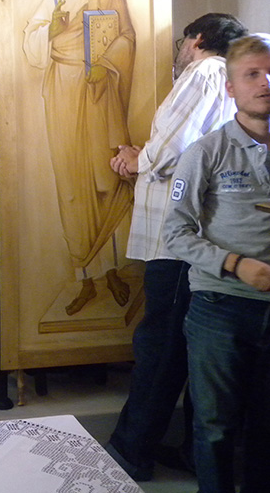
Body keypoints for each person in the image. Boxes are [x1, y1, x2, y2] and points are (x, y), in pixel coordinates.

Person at [105, 13, 246, 481]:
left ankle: (132, 449)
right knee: (185, 344)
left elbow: (173, 146)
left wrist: (135, 159)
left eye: (183, 41)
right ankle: (190, 450)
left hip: (180, 234)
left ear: (197, 39)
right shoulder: (226, 77)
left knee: (161, 343)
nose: (180, 50)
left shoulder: (205, 71)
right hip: (201, 233)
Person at [162, 34, 270, 493]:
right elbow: (175, 233)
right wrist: (235, 264)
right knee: (216, 427)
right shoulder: (205, 152)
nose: (265, 83)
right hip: (221, 308)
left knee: (266, 429)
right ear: (230, 88)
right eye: (252, 74)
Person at [23, 0, 135, 316]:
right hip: (63, 91)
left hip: (99, 90)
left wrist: (104, 66)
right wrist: (50, 31)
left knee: (105, 178)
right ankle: (86, 278)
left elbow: (126, 35)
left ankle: (113, 272)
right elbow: (31, 37)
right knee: (71, 183)